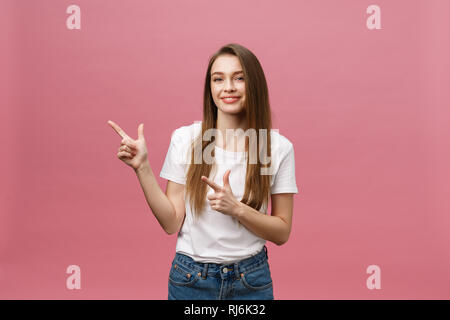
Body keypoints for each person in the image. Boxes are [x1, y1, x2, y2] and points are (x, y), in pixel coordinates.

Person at [107, 43, 299, 300]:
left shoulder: (274, 147)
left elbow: (282, 232)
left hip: (251, 280)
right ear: (210, 88)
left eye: (239, 78)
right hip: (191, 280)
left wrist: (237, 209)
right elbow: (171, 222)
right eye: (218, 79)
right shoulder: (188, 139)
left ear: (254, 85)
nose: (228, 87)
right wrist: (142, 168)